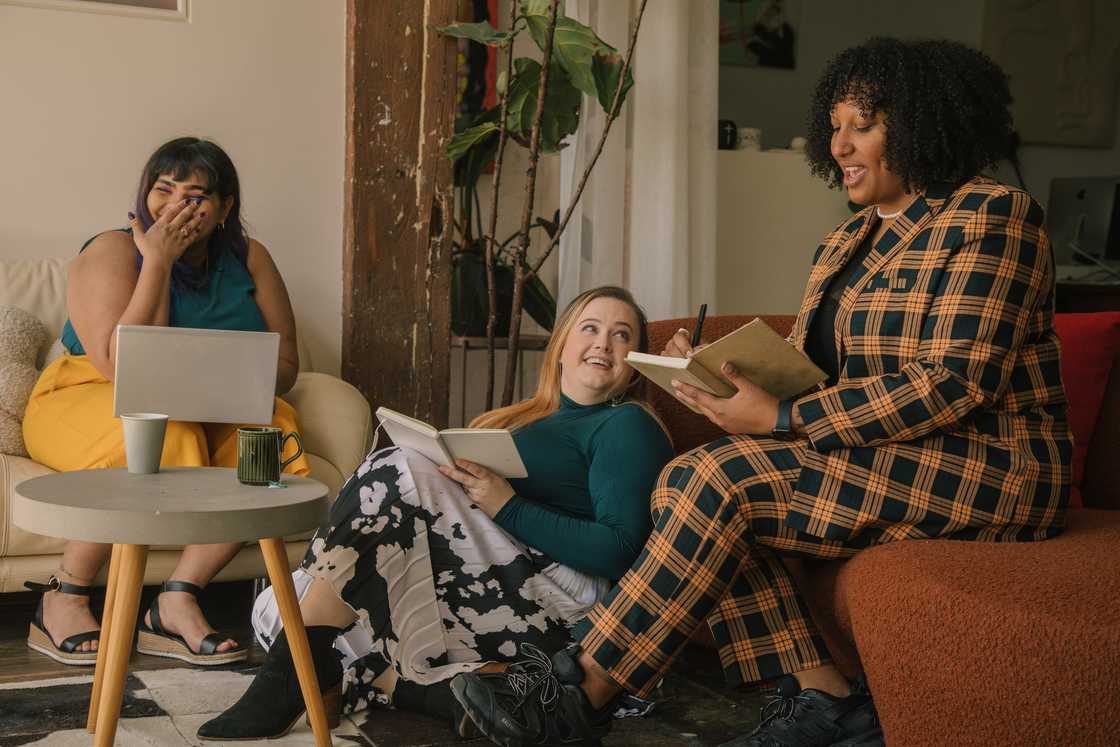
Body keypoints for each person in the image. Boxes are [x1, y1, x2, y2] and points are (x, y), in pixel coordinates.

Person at [449, 37, 1072, 747]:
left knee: (719, 478)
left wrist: (783, 415)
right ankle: (827, 696)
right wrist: (711, 371)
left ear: (924, 123)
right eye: (833, 125)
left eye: (860, 125)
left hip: (986, 465)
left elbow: (957, 381)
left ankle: (583, 687)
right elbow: (804, 368)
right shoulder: (845, 242)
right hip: (885, 457)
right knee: (703, 479)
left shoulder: (994, 217)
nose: (837, 144)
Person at [196, 285, 675, 740]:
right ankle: (440, 694)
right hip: (481, 578)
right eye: (590, 328)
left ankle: (297, 668)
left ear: (634, 364)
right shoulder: (519, 419)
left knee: (396, 467)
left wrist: (504, 504)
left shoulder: (625, 424)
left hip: (554, 599)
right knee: (281, 602)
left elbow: (619, 551)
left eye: (622, 334)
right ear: (562, 345)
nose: (604, 344)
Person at [22, 137, 310, 667]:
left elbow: (287, 370)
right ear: (144, 196)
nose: (177, 205)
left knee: (268, 438)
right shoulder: (109, 250)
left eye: (197, 195)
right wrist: (157, 260)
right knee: (163, 432)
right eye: (164, 190)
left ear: (225, 208)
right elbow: (117, 364)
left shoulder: (250, 258)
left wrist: (223, 377)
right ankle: (63, 596)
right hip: (87, 391)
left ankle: (178, 597)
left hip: (210, 399)